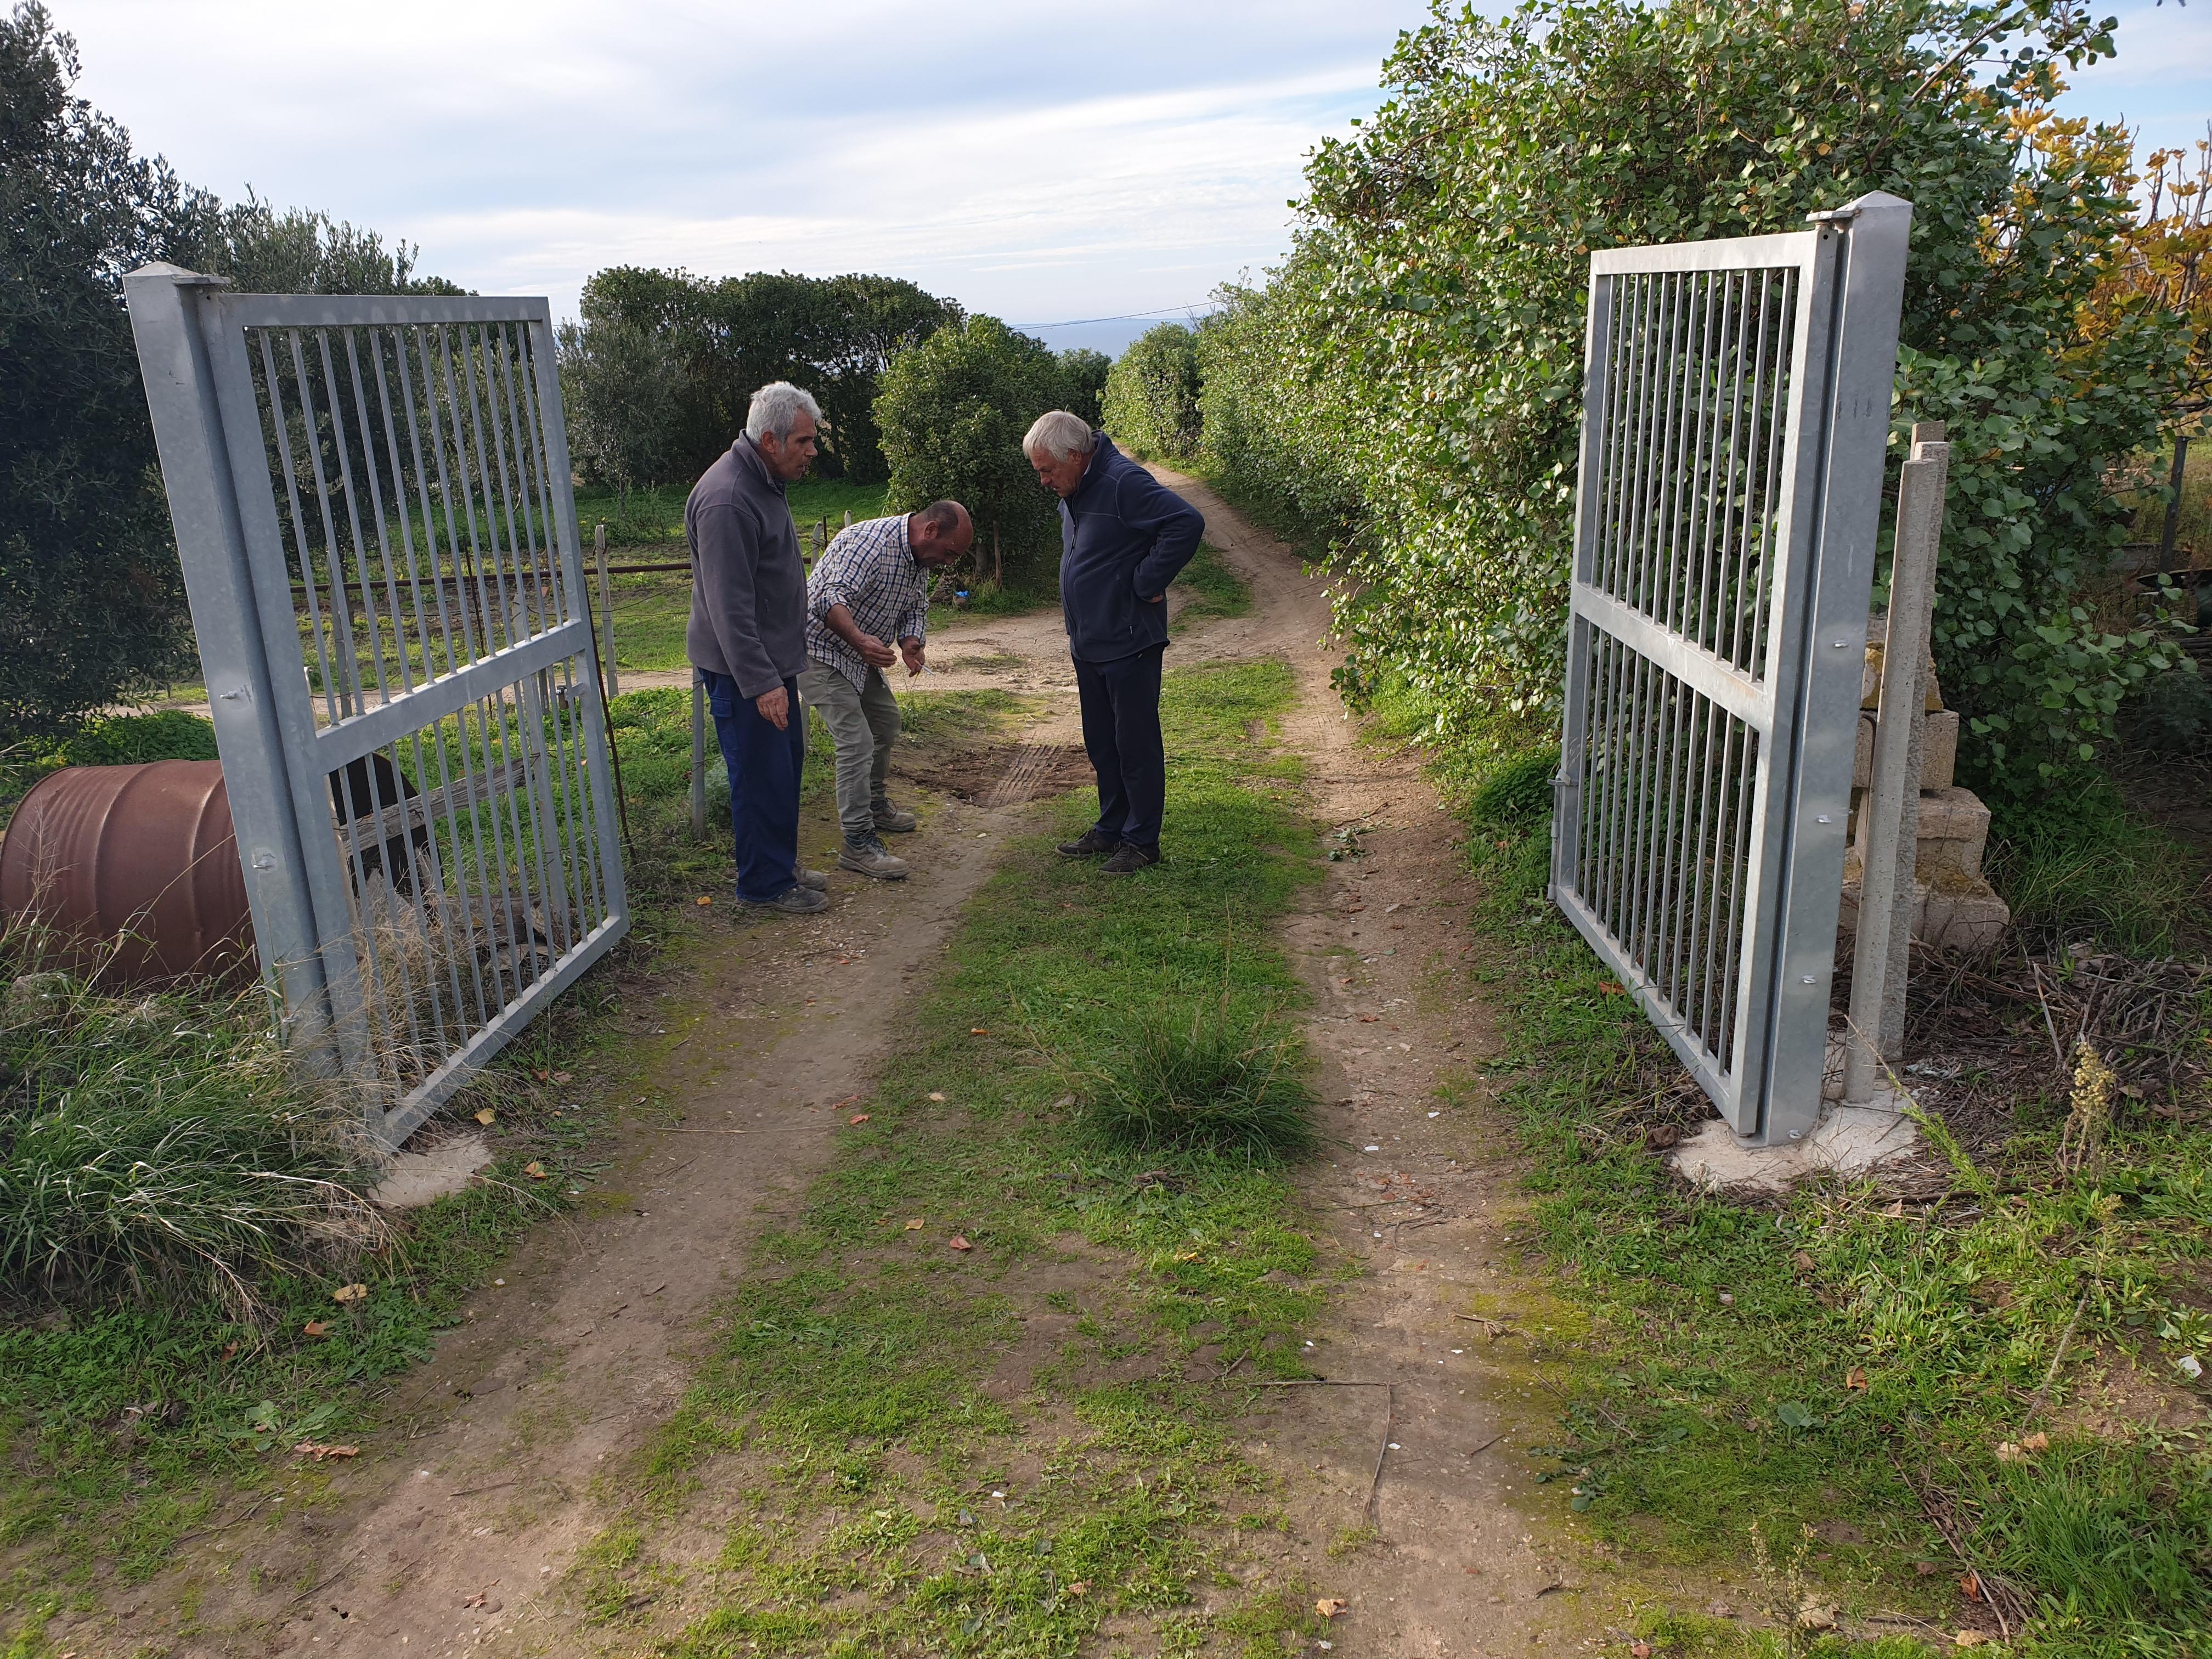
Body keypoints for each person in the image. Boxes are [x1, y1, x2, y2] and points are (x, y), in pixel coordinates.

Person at [1023, 410, 1204, 873]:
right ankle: (1111, 829)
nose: (1043, 481)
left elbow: (1186, 523)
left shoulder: (1125, 482)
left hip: (1129, 640)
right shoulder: (1076, 485)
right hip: (1089, 640)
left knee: (1135, 744)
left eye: (1047, 470)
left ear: (1078, 456)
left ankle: (1142, 841)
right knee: (1103, 743)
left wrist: (1146, 582)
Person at [686, 381, 830, 916]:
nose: (812, 452)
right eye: (804, 442)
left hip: (769, 665)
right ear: (771, 440)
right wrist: (763, 683)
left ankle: (779, 864)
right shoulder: (729, 499)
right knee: (758, 774)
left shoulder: (760, 481)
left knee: (782, 768)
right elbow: (730, 608)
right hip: (745, 671)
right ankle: (763, 886)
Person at [798, 500, 974, 879]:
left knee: (885, 723)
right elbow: (825, 596)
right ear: (930, 531)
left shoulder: (918, 559)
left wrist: (912, 641)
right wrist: (861, 640)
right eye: (949, 553)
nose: (947, 562)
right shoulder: (871, 544)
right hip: (818, 650)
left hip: (857, 654)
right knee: (856, 741)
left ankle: (874, 806)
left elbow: (915, 606)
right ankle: (858, 843)